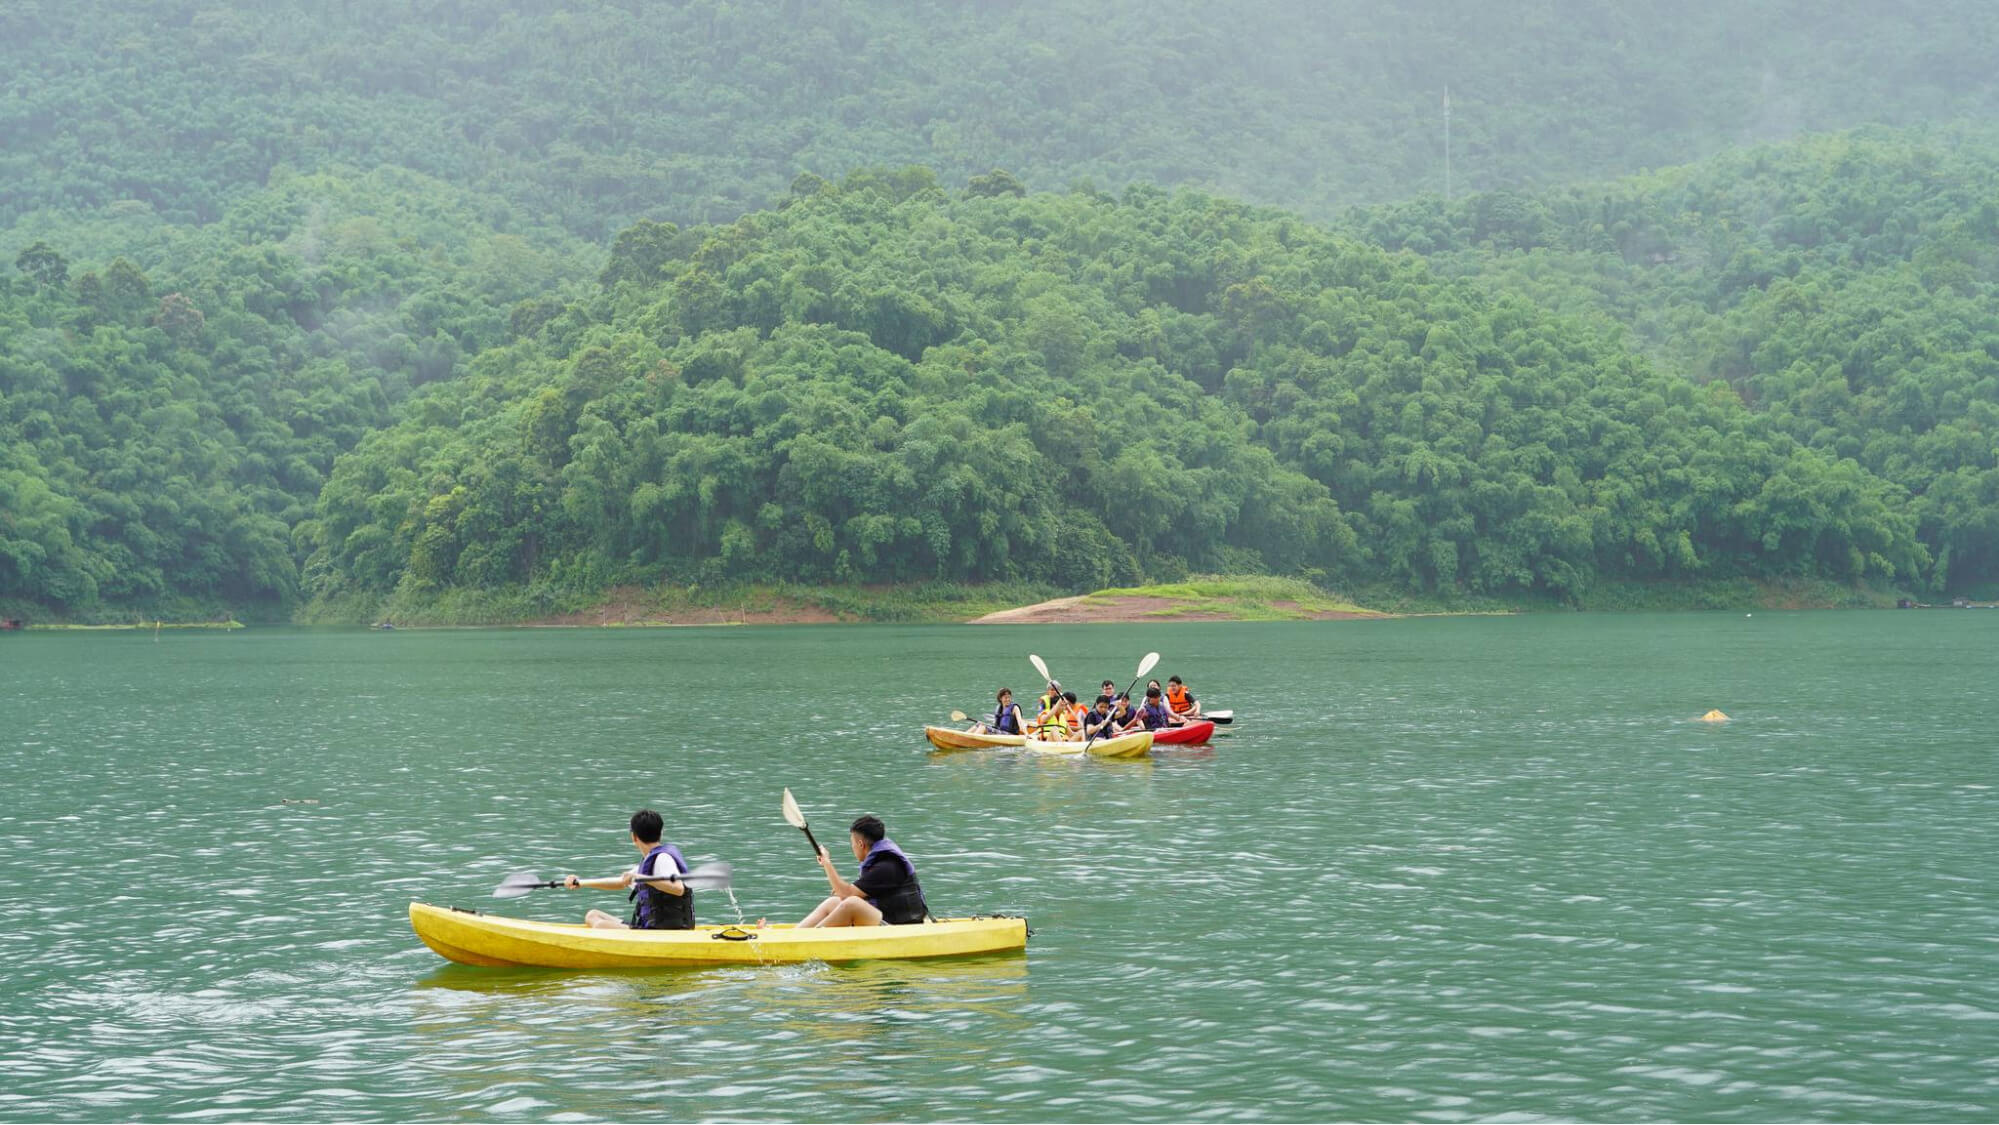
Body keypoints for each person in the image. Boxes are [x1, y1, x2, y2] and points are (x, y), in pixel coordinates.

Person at [563, 808, 694, 930]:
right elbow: (620, 882)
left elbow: (678, 889)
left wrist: (642, 878)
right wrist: (580, 882)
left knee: (600, 926)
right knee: (592, 915)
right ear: (661, 833)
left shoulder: (663, 859)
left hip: (666, 931)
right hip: (650, 928)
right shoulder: (649, 861)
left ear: (634, 837)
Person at [798, 814, 931, 927]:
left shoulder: (886, 867)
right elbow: (847, 893)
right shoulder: (882, 863)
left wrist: (827, 863)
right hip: (887, 921)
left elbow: (848, 895)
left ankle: (809, 941)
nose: (853, 848)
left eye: (853, 844)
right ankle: (795, 935)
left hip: (901, 929)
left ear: (861, 844)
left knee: (851, 903)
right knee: (834, 902)